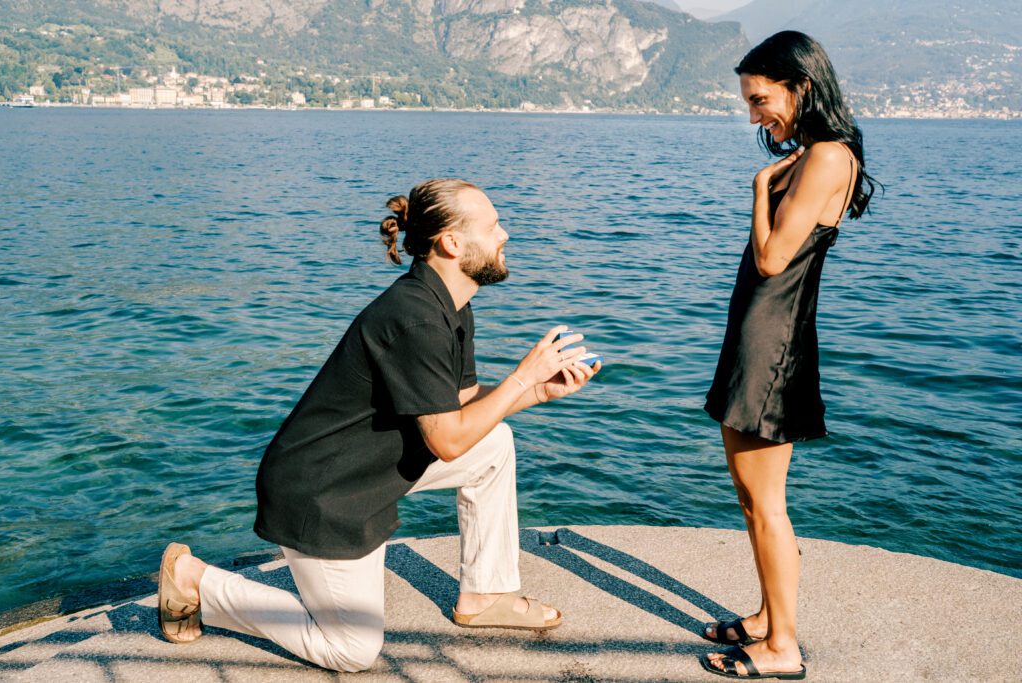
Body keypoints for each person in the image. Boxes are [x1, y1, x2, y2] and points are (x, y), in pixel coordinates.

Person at [155, 178, 601, 672]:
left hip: (367, 471)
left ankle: (486, 594)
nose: (506, 235)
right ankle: (197, 581)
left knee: (493, 444)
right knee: (352, 650)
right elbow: (448, 442)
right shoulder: (415, 317)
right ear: (452, 243)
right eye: (493, 225)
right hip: (324, 494)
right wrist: (521, 377)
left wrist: (537, 391)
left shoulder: (451, 305)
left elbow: (461, 408)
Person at [701, 31, 878, 680]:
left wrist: (757, 192)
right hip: (758, 335)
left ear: (800, 86)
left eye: (760, 99)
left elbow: (774, 258)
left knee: (765, 499)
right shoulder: (809, 153)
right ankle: (765, 618)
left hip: (772, 343)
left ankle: (782, 645)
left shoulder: (827, 157)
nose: (753, 116)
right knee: (751, 496)